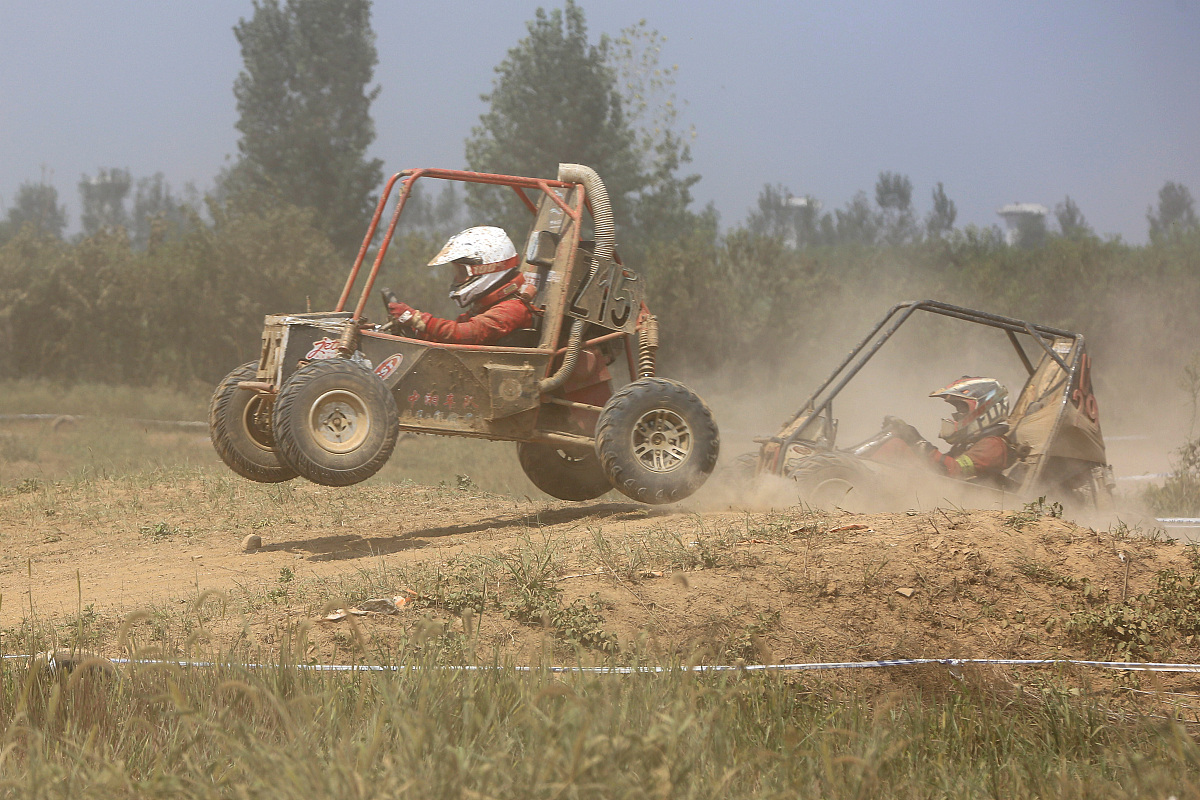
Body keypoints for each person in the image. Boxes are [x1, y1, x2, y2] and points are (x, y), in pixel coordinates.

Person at [384, 226, 536, 345]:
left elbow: (466, 333)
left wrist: (418, 319)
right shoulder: (485, 308)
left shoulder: (513, 309)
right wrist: (418, 331)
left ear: (488, 268)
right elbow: (452, 337)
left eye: (462, 273)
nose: (457, 279)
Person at [883, 377, 1014, 482]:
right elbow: (934, 469)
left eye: (962, 409)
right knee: (897, 445)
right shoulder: (969, 445)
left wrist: (917, 442)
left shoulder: (993, 445)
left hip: (974, 505)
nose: (957, 415)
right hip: (953, 500)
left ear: (985, 408)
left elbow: (950, 470)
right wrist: (906, 440)